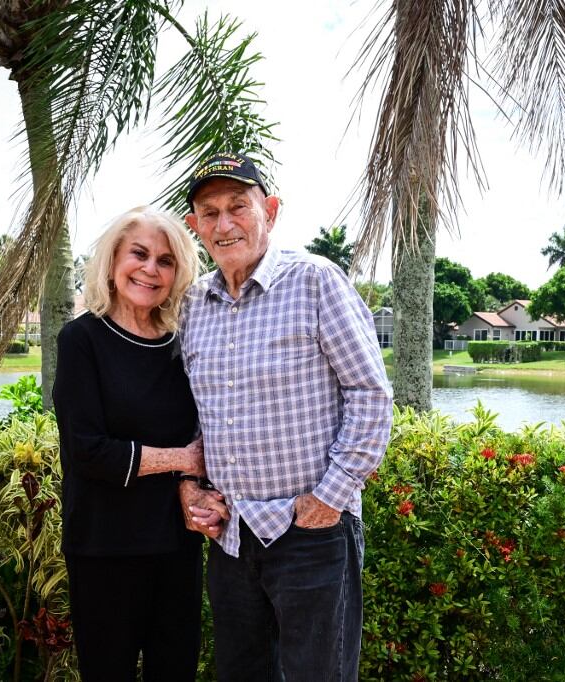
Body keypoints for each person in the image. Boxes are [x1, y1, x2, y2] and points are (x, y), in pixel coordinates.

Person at [178, 152, 392, 681]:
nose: (224, 225)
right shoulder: (193, 304)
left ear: (269, 210)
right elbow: (191, 414)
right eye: (210, 213)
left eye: (238, 207)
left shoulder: (315, 280)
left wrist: (330, 498)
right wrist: (190, 485)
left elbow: (371, 393)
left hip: (311, 532)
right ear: (195, 226)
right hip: (229, 538)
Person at [52, 207, 208, 682]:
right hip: (104, 545)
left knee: (175, 671)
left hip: (176, 545)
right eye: (139, 254)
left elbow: (207, 429)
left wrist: (192, 477)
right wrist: (182, 458)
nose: (150, 269)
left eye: (165, 261)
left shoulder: (186, 342)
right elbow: (87, 451)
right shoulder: (82, 339)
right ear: (113, 260)